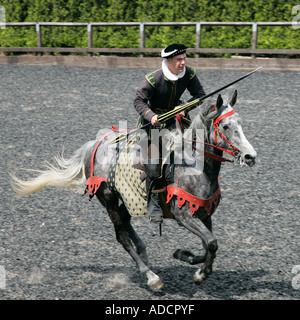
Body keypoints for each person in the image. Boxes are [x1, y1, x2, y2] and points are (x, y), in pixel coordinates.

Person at [133, 43, 206, 224]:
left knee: (190, 152)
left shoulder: (189, 74)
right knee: (153, 162)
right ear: (169, 60)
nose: (183, 63)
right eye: (179, 60)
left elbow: (200, 95)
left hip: (176, 120)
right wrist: (151, 116)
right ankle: (153, 204)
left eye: (184, 59)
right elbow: (138, 100)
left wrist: (185, 106)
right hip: (152, 125)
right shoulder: (153, 79)